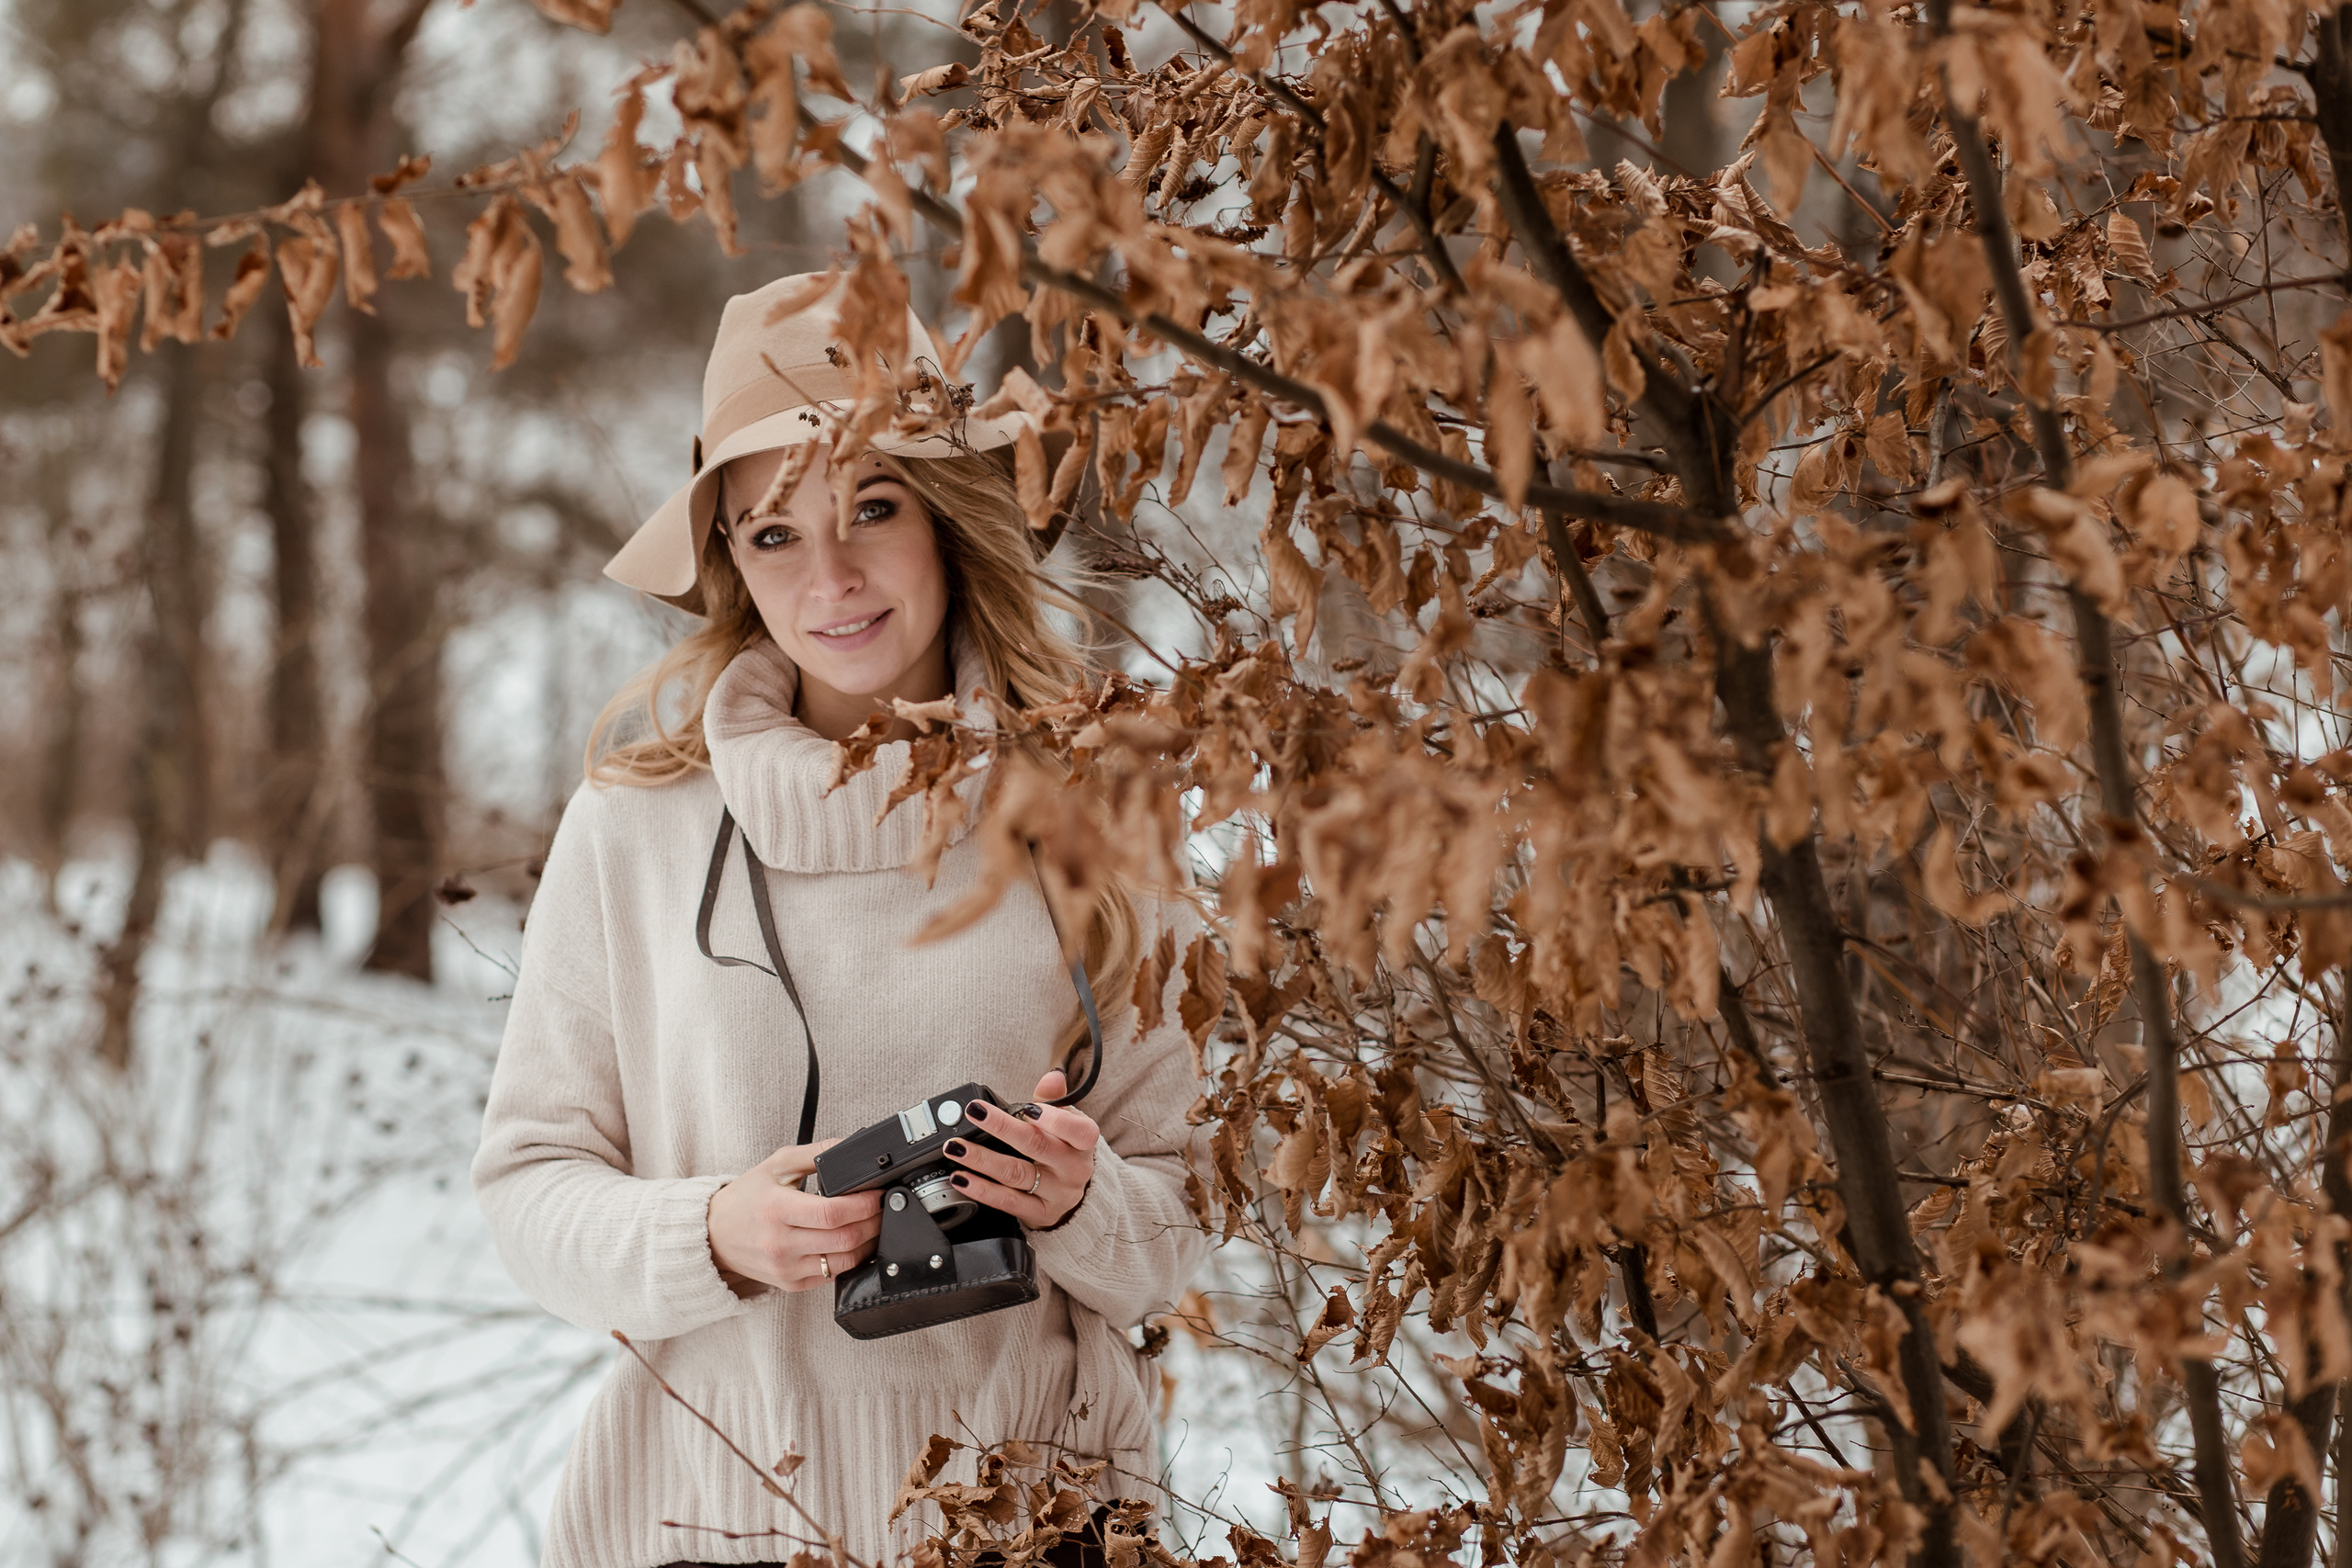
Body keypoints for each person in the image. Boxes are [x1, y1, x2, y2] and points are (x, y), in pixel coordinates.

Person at [471, 275, 1209, 1568]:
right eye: (774, 534)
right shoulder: (635, 829)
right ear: (729, 562)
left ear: (947, 516)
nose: (832, 578)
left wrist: (1079, 1198)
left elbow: (1188, 1204)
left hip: (1034, 1519)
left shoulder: (1098, 812)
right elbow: (532, 1192)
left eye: (873, 507)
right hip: (711, 1521)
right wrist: (711, 1232)